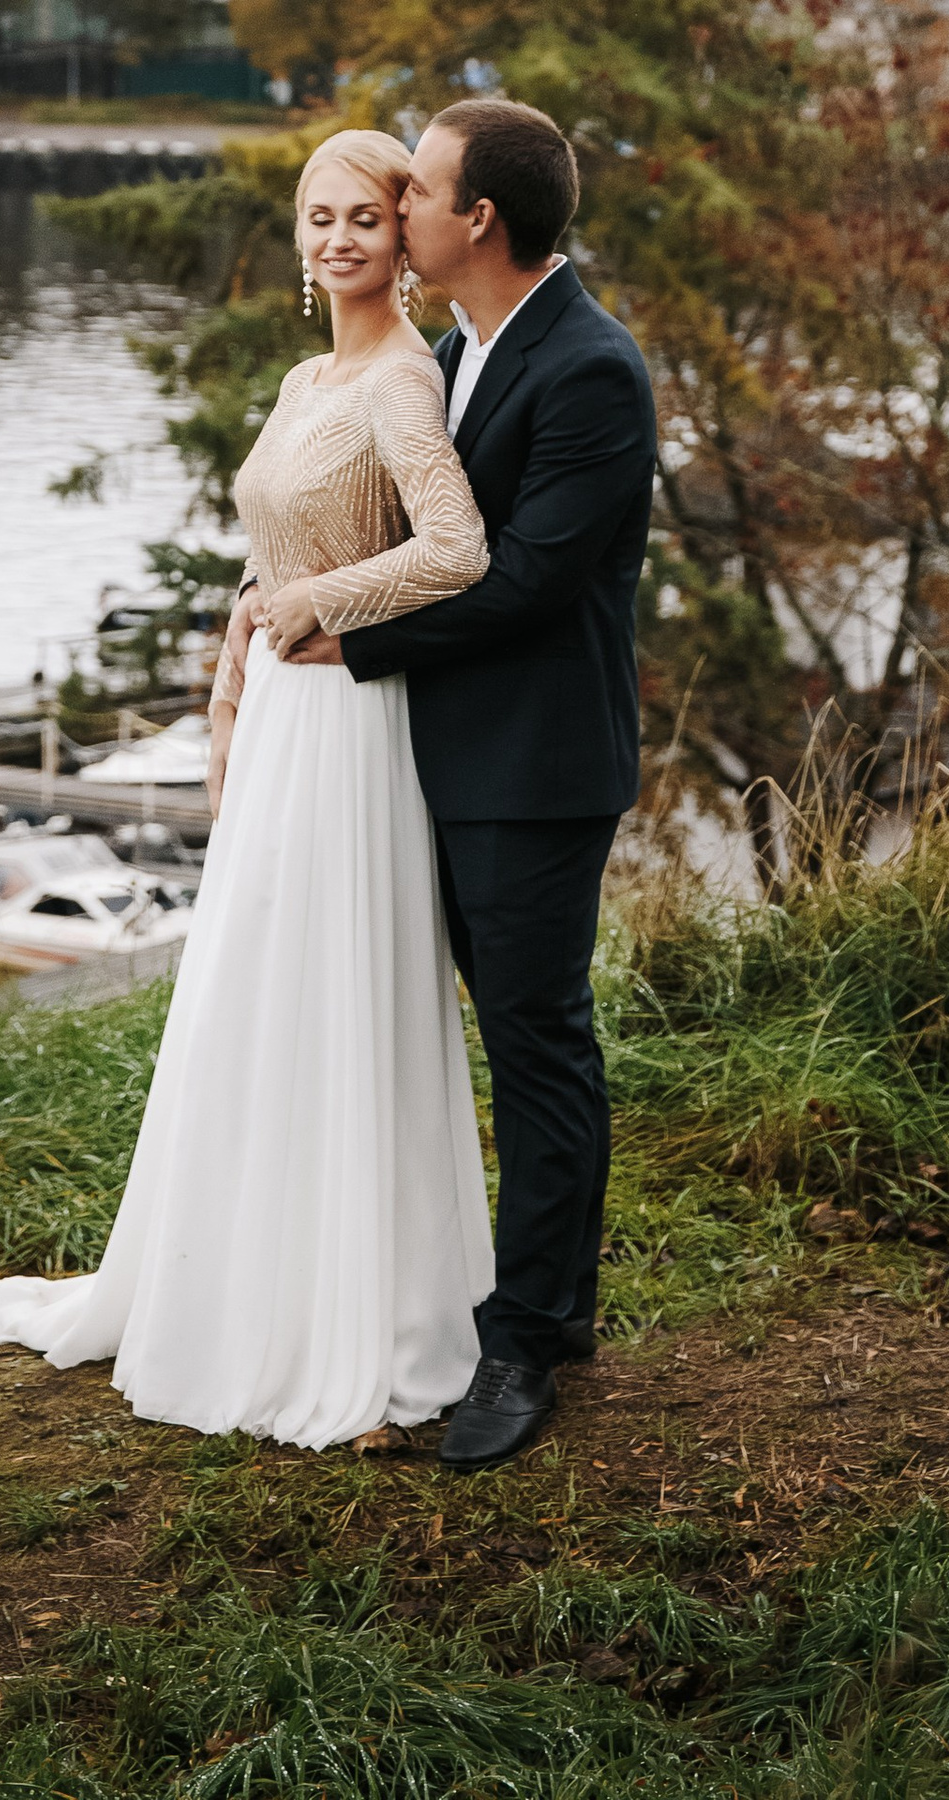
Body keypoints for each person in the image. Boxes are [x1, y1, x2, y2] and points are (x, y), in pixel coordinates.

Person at [0, 128, 498, 1449]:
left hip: (358, 723)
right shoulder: (309, 377)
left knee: (338, 991)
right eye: (316, 218)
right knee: (254, 988)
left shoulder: (404, 384)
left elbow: (459, 549)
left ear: (402, 233)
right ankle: (239, 1280)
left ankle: (353, 1316)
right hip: (286, 720)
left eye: (365, 216)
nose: (338, 238)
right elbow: (270, 550)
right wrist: (244, 662)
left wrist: (308, 604)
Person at [269, 96, 656, 1471]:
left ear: (477, 219)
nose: (399, 210)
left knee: (537, 1042)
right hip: (424, 758)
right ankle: (432, 1298)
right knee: (434, 1036)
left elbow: (533, 578)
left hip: (532, 772)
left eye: (416, 192)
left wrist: (345, 636)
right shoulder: (460, 347)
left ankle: (532, 1334)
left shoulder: (591, 371)